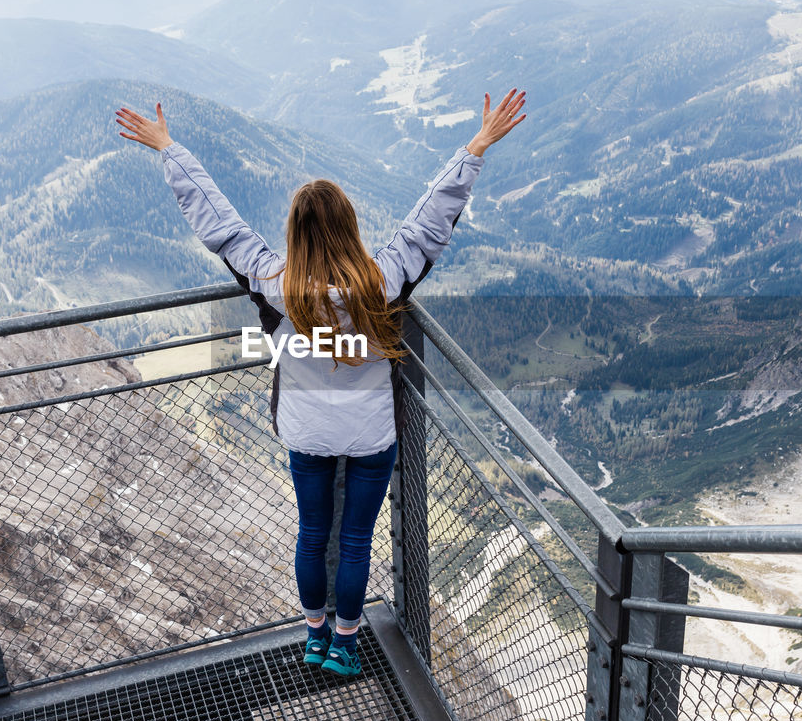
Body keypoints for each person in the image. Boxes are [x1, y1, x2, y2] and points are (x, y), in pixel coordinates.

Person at [115, 89, 526, 676]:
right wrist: (477, 147)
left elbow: (221, 225)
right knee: (355, 543)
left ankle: (313, 635)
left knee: (313, 536)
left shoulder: (274, 286)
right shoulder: (382, 284)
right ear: (350, 227)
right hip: (370, 434)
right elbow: (427, 223)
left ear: (295, 234)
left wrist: (169, 149)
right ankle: (347, 645)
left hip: (306, 432)